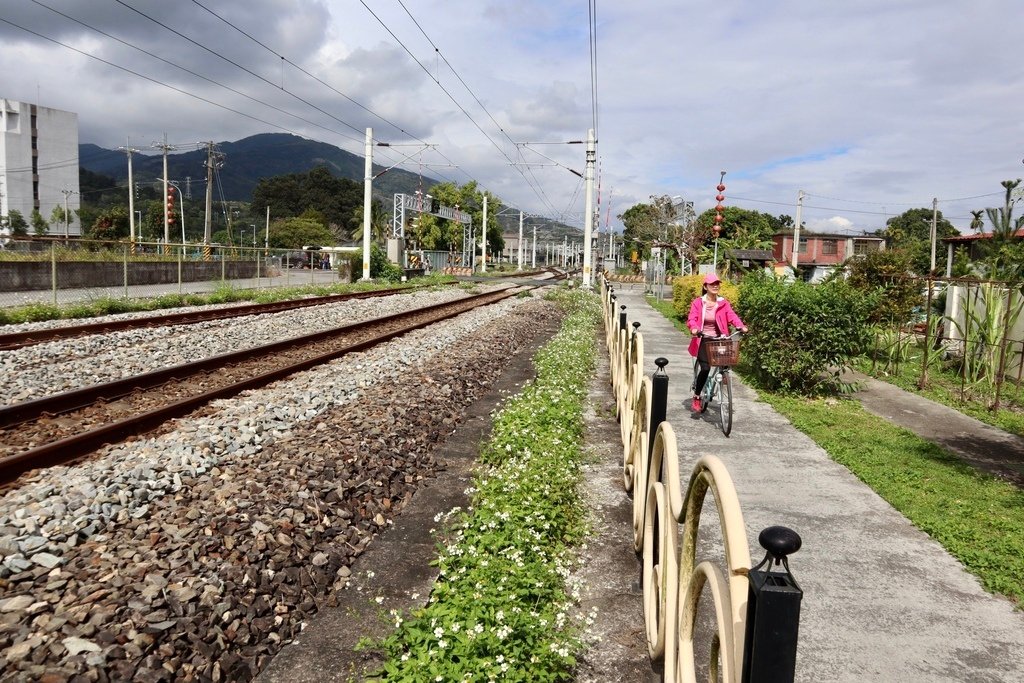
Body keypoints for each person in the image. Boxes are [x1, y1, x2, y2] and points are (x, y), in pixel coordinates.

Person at [687, 273, 747, 412]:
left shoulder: (723, 303)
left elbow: (732, 315)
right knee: (706, 368)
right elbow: (692, 318)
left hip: (720, 338)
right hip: (703, 337)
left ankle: (723, 376)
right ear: (705, 286)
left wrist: (740, 325)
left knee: (726, 361)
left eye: (717, 284)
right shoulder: (698, 302)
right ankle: (697, 396)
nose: (715, 286)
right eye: (712, 284)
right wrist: (694, 328)